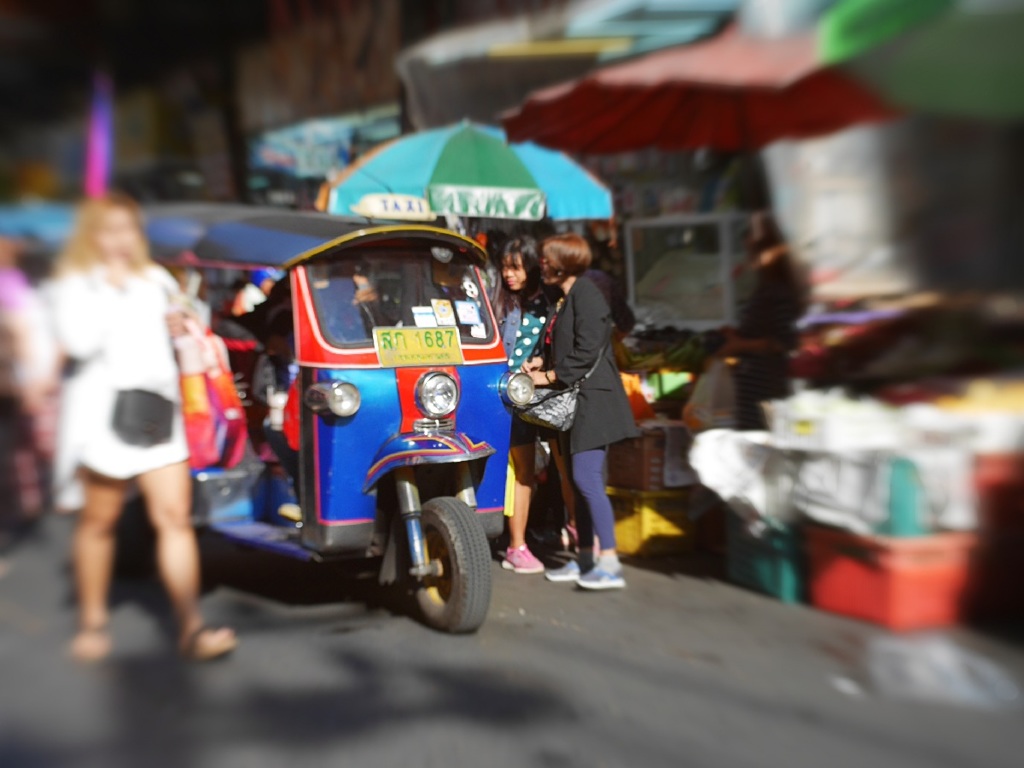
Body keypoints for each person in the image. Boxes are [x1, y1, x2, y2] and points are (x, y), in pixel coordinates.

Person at [49, 192, 237, 662]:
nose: (119, 240)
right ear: (92, 236)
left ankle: (191, 628)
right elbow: (77, 341)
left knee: (174, 520)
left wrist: (180, 322)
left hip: (157, 413)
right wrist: (111, 289)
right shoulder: (78, 284)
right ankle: (92, 623)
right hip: (104, 421)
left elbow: (192, 323)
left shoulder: (154, 278)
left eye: (127, 229)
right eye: (108, 230)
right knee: (100, 521)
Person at [524, 234, 640, 590]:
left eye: (545, 259)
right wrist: (542, 359)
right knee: (578, 480)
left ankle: (609, 562)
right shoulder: (566, 297)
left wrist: (547, 376)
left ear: (561, 261)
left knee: (588, 479)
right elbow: (566, 343)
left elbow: (588, 351)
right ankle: (586, 559)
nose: (540, 264)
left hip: (595, 400)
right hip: (578, 399)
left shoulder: (586, 294)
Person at [492, 235, 565, 574]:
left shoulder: (547, 304)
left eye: (517, 268)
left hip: (523, 399)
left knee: (525, 472)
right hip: (492, 396)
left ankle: (516, 545)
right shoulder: (497, 303)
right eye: (506, 267)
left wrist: (538, 362)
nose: (509, 275)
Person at [715, 211, 805, 430]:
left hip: (769, 391)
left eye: (754, 238)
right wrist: (737, 337)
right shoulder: (768, 287)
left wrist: (739, 345)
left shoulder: (780, 290)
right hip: (756, 392)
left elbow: (787, 341)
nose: (748, 242)